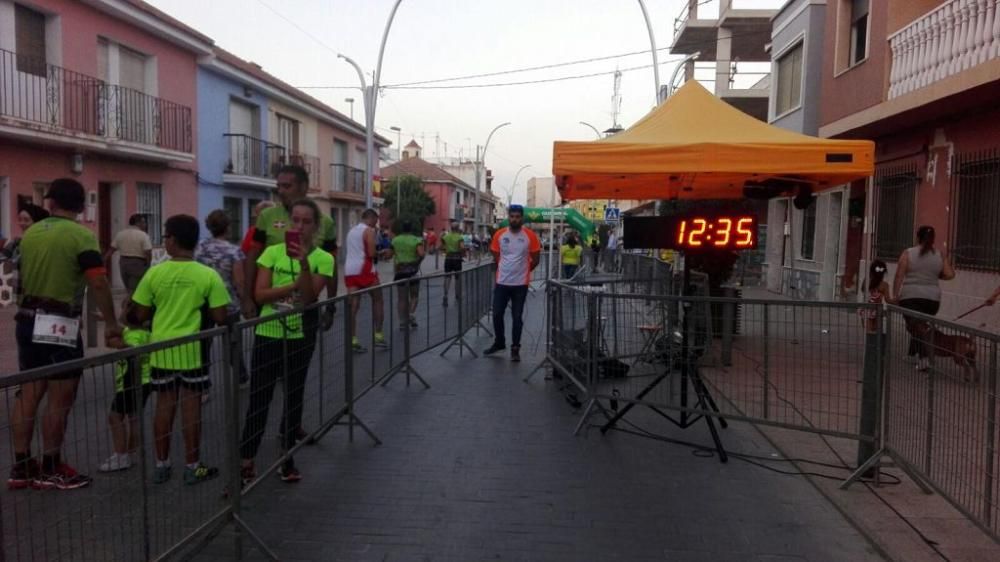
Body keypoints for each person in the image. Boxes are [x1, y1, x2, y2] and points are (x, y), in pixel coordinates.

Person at [8, 178, 122, 491]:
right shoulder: (81, 236)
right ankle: (51, 466)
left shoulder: (30, 234)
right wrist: (111, 325)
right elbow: (98, 282)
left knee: (29, 393)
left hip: (27, 318)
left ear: (51, 202)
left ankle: (20, 465)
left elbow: (15, 276)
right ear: (82, 206)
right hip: (59, 322)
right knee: (60, 398)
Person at [130, 214, 230, 485]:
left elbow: (138, 313)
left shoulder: (155, 272)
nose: (165, 241)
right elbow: (221, 316)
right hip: (193, 352)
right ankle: (192, 466)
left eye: (165, 237)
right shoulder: (207, 274)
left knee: (164, 407)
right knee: (191, 410)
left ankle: (162, 465)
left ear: (173, 241)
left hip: (161, 349)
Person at [240, 198, 334, 484]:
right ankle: (246, 461)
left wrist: (303, 266)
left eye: (306, 222)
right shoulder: (271, 252)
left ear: (316, 227)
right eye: (295, 220)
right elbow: (260, 294)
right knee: (259, 398)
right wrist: (292, 286)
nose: (300, 227)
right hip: (268, 333)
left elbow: (307, 299)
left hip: (300, 336)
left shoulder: (324, 259)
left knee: (294, 397)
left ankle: (286, 459)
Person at [196, 210, 249, 385]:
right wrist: (246, 302)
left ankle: (202, 383)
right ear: (228, 227)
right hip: (228, 305)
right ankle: (241, 378)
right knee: (233, 344)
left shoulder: (200, 247)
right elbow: (239, 282)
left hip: (203, 304)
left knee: (203, 345)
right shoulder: (234, 252)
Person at [893, 225, 955, 370]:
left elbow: (899, 275)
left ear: (918, 237)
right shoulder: (940, 255)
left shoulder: (908, 253)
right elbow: (950, 274)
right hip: (932, 299)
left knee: (916, 327)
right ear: (933, 239)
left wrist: (896, 295)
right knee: (920, 326)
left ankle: (924, 358)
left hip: (911, 297)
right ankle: (911, 353)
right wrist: (937, 275)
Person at [484, 205, 541, 362]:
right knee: (496, 314)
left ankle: (515, 348)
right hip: (502, 283)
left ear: (522, 218)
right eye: (512, 216)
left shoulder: (530, 236)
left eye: (517, 216)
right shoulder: (500, 235)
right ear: (508, 217)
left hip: (520, 285)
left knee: (517, 317)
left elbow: (536, 259)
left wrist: (523, 271)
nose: (514, 219)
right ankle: (499, 342)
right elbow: (495, 254)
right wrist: (505, 268)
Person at [98, 310, 152, 473]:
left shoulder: (134, 336)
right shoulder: (143, 332)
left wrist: (121, 345)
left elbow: (131, 349)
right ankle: (131, 453)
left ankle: (121, 456)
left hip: (130, 381)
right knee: (134, 417)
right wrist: (107, 319)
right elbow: (119, 332)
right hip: (144, 380)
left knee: (114, 417)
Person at [344, 208, 386, 353]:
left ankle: (352, 340)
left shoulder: (351, 231)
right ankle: (379, 335)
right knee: (378, 299)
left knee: (353, 306)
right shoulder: (369, 231)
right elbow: (372, 253)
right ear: (372, 218)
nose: (376, 223)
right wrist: (382, 253)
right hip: (365, 269)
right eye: (376, 220)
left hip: (350, 270)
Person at [387, 219, 425, 329]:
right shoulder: (416, 240)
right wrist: (417, 262)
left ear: (402, 229)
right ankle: (411, 314)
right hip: (412, 272)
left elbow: (389, 255)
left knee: (401, 298)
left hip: (400, 272)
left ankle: (402, 322)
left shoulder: (395, 240)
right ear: (411, 229)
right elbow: (421, 254)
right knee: (414, 296)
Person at [104, 214, 153, 297]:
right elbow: (148, 251)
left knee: (128, 288)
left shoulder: (120, 234)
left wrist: (103, 261)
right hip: (138, 263)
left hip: (123, 263)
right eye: (144, 222)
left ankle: (129, 305)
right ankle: (130, 307)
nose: (145, 225)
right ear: (138, 223)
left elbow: (111, 250)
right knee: (136, 289)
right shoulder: (143, 235)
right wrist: (148, 265)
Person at [860, 260, 894, 334]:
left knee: (868, 335)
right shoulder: (884, 285)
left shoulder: (866, 281)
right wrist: (897, 300)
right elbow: (888, 300)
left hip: (866, 309)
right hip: (878, 311)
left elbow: (862, 290)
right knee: (877, 335)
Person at [440, 222, 465, 306]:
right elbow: (462, 247)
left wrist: (445, 249)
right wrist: (463, 253)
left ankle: (445, 295)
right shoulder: (459, 237)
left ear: (451, 228)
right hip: (457, 259)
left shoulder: (446, 237)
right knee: (458, 277)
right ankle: (457, 295)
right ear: (458, 228)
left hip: (448, 258)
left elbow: (441, 246)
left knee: (447, 277)